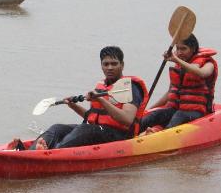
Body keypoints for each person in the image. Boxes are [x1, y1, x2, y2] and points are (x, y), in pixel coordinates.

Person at [8, 46, 149, 150]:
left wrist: (101, 100)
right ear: (101, 66)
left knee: (85, 130)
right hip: (98, 130)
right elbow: (92, 116)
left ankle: (52, 152)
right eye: (106, 64)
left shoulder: (130, 88)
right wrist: (73, 106)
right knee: (58, 128)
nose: (110, 67)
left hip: (120, 137)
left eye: (114, 63)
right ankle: (30, 151)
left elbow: (127, 119)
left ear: (122, 65)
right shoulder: (102, 86)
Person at [140, 34, 218, 134]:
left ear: (193, 49)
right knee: (153, 116)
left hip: (196, 111)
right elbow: (170, 93)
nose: (180, 52)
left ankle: (158, 135)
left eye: (183, 49)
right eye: (178, 48)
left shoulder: (208, 63)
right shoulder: (179, 66)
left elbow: (202, 72)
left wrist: (176, 59)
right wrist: (149, 110)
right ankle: (129, 136)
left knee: (179, 116)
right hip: (175, 109)